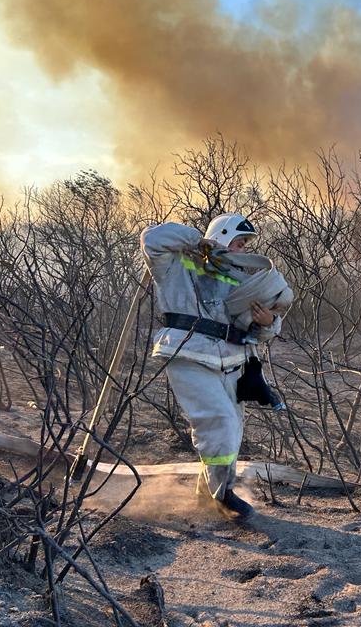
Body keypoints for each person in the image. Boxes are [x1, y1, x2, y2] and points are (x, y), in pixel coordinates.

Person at [140, 212, 286, 523]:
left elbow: (255, 329)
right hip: (188, 355)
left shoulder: (242, 280)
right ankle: (222, 494)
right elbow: (152, 239)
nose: (244, 248)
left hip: (233, 362)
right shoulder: (178, 264)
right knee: (218, 421)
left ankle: (206, 494)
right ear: (221, 236)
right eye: (239, 241)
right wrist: (197, 242)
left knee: (230, 430)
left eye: (247, 244)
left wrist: (269, 323)